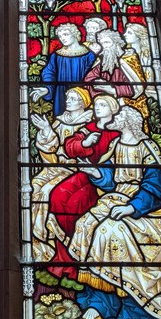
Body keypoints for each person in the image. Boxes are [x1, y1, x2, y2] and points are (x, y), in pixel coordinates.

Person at [69, 106, 161, 319]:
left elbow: (157, 186)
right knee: (85, 224)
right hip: (117, 198)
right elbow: (112, 179)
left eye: (118, 115)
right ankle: (100, 302)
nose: (113, 118)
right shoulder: (115, 145)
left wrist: (132, 208)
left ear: (129, 122)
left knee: (110, 231)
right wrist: (95, 172)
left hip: (147, 210)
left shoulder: (146, 148)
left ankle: (136, 307)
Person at [44, 95, 121, 284]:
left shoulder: (118, 133)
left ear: (112, 109)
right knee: (58, 196)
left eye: (102, 105)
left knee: (77, 202)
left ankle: (79, 253)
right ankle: (67, 252)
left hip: (104, 180)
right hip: (86, 173)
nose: (97, 108)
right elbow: (70, 146)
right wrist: (85, 143)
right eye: (96, 105)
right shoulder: (90, 129)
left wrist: (98, 173)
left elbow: (122, 165)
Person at [31, 87, 93, 265]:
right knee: (34, 187)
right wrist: (46, 131)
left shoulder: (87, 124)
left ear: (82, 103)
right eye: (68, 99)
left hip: (76, 170)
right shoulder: (60, 122)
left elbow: (88, 152)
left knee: (47, 192)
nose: (69, 102)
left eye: (73, 99)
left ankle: (45, 241)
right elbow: (51, 153)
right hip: (55, 168)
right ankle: (36, 242)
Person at [31, 23, 96, 116]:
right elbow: (49, 73)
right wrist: (47, 88)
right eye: (60, 36)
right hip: (61, 92)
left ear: (75, 34)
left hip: (81, 94)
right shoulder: (56, 55)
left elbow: (92, 77)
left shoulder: (89, 55)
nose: (62, 38)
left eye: (65, 34)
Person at [84, 29, 148, 120]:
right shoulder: (103, 60)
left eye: (107, 42)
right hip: (105, 105)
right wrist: (96, 83)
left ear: (116, 42)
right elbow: (89, 78)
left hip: (129, 106)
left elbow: (138, 88)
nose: (104, 47)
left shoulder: (129, 59)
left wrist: (114, 90)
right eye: (102, 44)